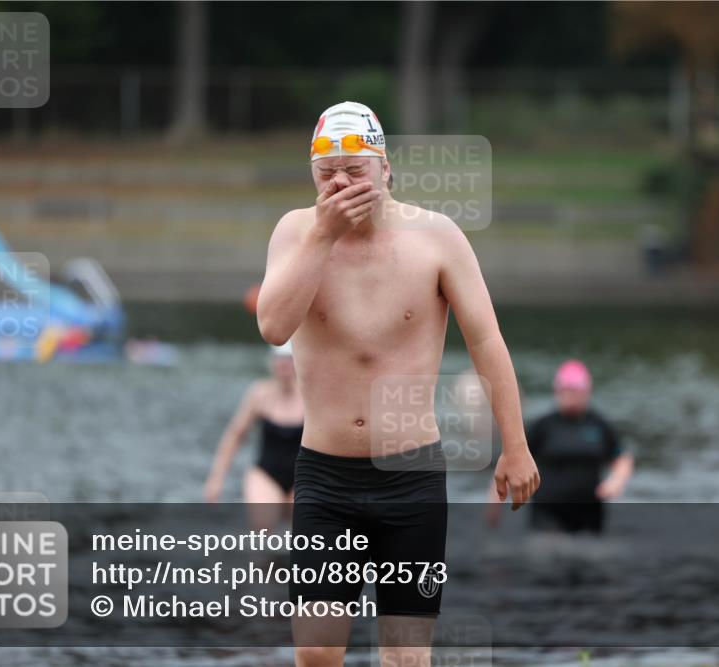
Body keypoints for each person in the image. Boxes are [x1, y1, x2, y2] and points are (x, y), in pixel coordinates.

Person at [256, 101, 539, 667]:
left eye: (355, 169)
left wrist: (516, 445)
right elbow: (273, 326)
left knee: (407, 658)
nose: (340, 182)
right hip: (326, 475)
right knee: (315, 654)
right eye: (326, 171)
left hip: (410, 476)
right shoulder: (294, 232)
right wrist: (322, 236)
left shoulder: (437, 237)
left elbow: (486, 341)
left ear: (386, 168)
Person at [489, 359, 633, 534]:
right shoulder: (544, 426)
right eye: (566, 391)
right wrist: (494, 506)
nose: (571, 396)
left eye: (576, 391)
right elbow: (512, 461)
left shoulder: (599, 425)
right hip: (548, 513)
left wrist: (616, 482)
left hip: (589, 514)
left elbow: (621, 458)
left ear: (587, 392)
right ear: (557, 391)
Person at [203, 341, 304, 531]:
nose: (284, 367)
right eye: (280, 362)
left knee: (303, 533)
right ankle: (262, 561)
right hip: (266, 473)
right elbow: (235, 436)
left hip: (303, 477)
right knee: (263, 527)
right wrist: (216, 478)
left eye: (289, 362)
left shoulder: (310, 396)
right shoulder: (260, 394)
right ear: (272, 364)